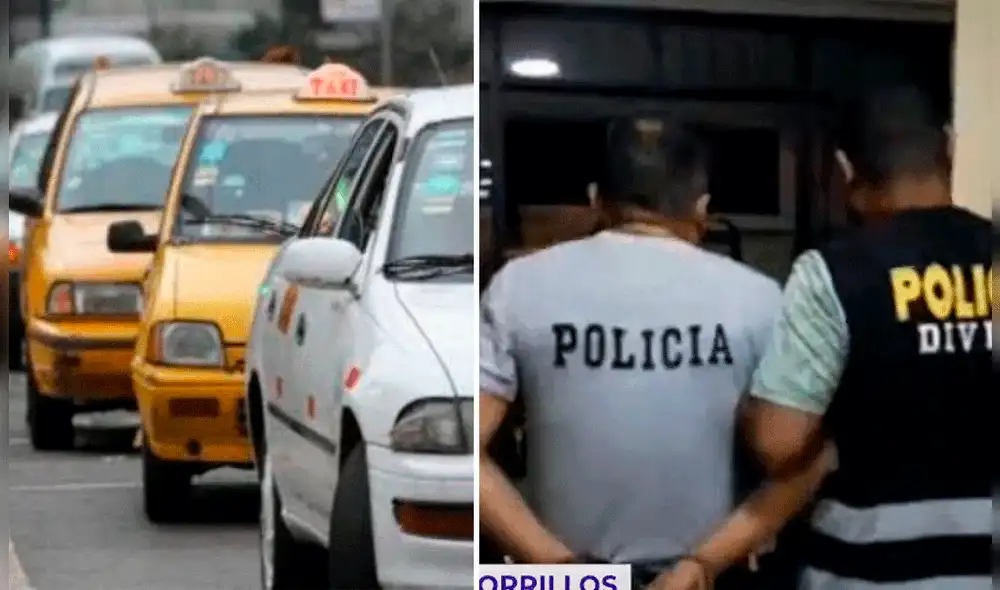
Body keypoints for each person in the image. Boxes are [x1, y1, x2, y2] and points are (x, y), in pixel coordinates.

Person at [651, 86, 991, 590]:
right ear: (950, 147)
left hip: (868, 573)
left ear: (844, 170)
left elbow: (778, 442)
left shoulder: (835, 273)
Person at [479, 118, 790, 588]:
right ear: (702, 208)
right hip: (710, 578)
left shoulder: (518, 286)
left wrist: (556, 567)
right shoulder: (762, 299)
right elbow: (801, 460)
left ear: (593, 198)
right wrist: (703, 565)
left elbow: (462, 448)